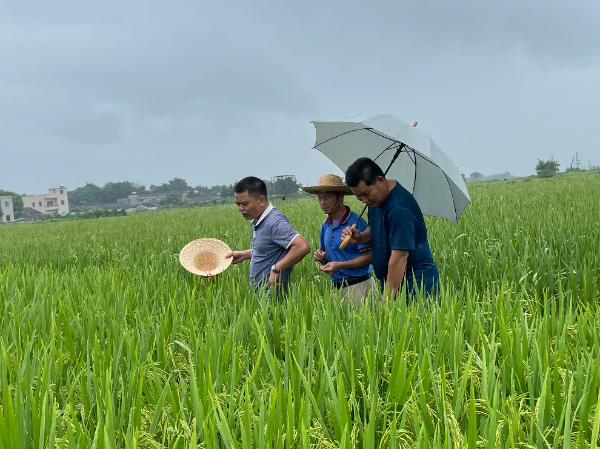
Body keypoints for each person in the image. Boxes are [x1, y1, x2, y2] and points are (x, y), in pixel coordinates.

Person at [341, 158, 439, 304]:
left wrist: (386, 301)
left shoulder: (399, 209)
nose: (363, 200)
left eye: (365, 194)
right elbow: (377, 230)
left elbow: (400, 257)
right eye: (358, 197)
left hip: (415, 285)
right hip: (393, 282)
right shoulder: (376, 201)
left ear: (380, 181)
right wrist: (360, 237)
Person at [300, 174, 376, 307]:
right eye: (319, 198)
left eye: (327, 197)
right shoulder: (325, 225)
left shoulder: (356, 223)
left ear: (340, 196)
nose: (322, 202)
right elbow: (330, 258)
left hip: (359, 286)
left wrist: (340, 265)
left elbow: (370, 257)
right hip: (337, 289)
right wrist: (322, 258)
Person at [225, 176, 310, 291]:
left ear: (261, 200)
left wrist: (276, 268)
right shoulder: (259, 220)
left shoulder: (274, 221)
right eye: (238, 204)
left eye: (244, 204)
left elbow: (302, 246)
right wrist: (244, 254)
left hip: (273, 296)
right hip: (263, 297)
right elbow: (270, 250)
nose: (240, 208)